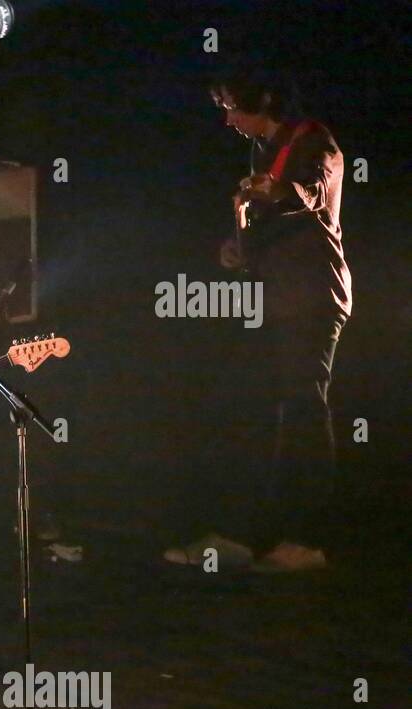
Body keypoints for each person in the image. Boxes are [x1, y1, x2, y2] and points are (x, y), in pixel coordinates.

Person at [166, 72, 351, 573]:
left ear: (262, 101)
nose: (227, 119)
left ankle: (305, 538)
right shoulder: (261, 151)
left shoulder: (314, 141)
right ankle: (245, 533)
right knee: (255, 411)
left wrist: (272, 191)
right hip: (272, 298)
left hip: (310, 296)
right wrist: (239, 244)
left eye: (232, 107)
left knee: (303, 414)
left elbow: (310, 193)